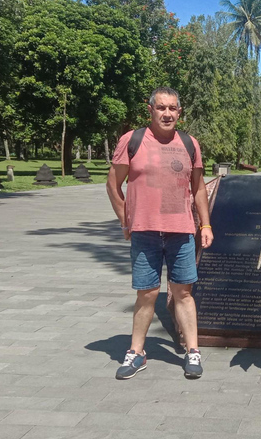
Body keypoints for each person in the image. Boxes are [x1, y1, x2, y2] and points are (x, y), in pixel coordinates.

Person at [106, 86, 214, 381]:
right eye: (161, 108)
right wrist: (125, 220)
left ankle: (193, 350)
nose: (167, 113)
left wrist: (205, 224)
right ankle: (137, 352)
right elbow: (113, 185)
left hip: (181, 230)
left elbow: (198, 187)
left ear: (179, 112)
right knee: (147, 293)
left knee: (183, 292)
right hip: (145, 231)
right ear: (150, 110)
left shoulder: (190, 143)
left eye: (173, 108)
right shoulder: (133, 141)